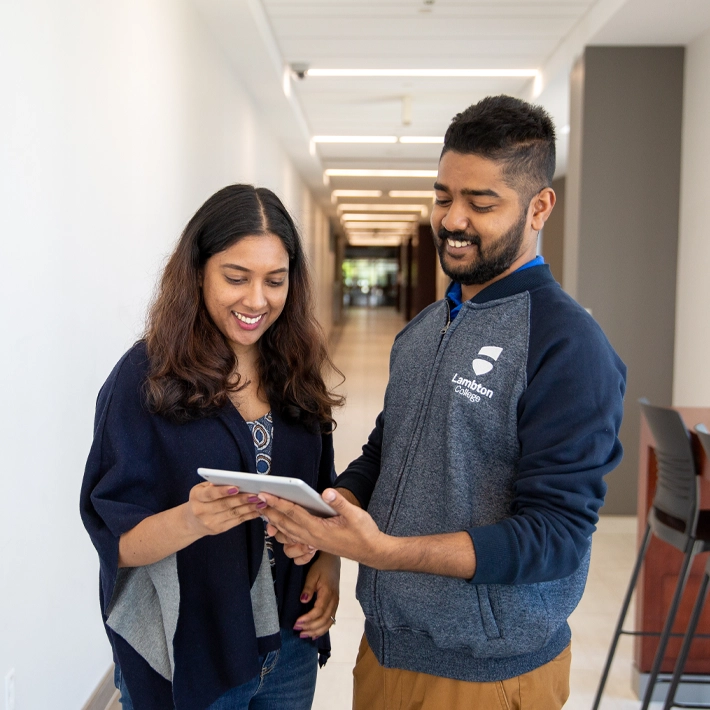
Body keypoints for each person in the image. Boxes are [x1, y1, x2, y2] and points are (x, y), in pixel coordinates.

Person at [259, 95, 627, 710]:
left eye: (481, 203)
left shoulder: (568, 345)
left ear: (540, 206)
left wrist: (386, 553)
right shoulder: (427, 326)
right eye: (443, 196)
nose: (453, 219)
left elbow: (556, 535)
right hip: (387, 650)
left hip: (488, 675)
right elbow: (386, 451)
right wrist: (335, 511)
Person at [80, 185, 343, 710]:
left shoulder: (295, 368)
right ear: (198, 270)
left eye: (275, 280)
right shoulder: (145, 378)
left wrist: (327, 558)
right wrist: (193, 519)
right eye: (235, 277)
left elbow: (323, 492)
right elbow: (117, 542)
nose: (257, 300)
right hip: (193, 651)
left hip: (290, 640)